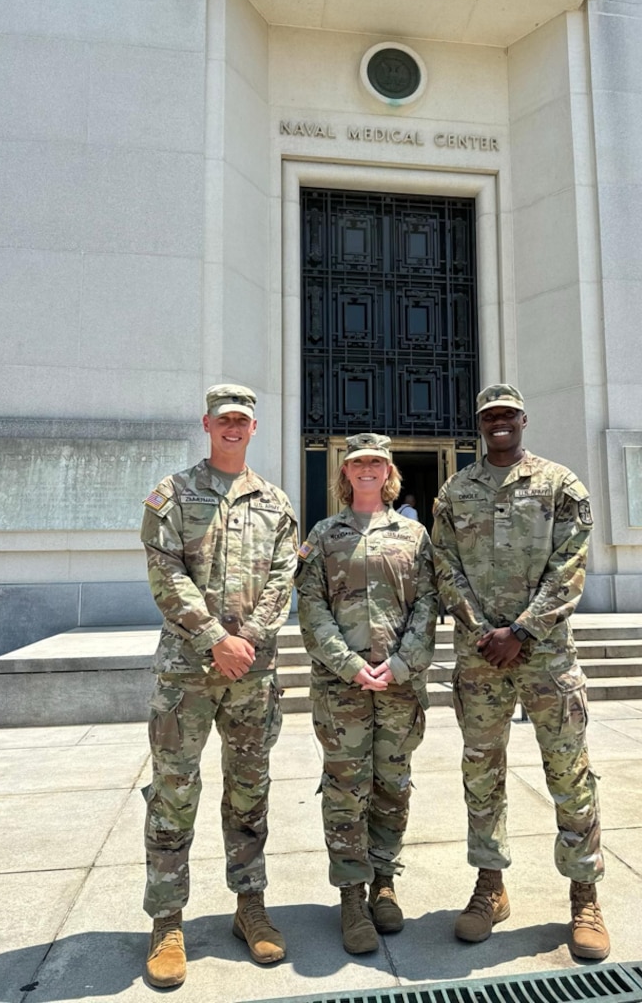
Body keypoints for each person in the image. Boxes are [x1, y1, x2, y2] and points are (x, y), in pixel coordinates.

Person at [431, 384, 609, 960]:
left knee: (570, 772)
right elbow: (443, 566)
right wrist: (483, 629)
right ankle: (490, 886)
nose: (499, 422)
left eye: (508, 414)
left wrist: (523, 631)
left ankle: (584, 893)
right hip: (480, 658)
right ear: (480, 425)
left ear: (524, 420)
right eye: (490, 416)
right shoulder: (456, 490)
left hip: (548, 659)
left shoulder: (560, 485)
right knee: (482, 775)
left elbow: (571, 565)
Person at [140, 384, 298, 988]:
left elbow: (284, 580)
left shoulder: (277, 504)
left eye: (243, 421)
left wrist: (248, 641)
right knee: (174, 794)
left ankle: (249, 906)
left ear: (254, 429)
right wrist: (215, 639)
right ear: (207, 424)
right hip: (187, 674)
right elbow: (165, 571)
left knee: (249, 791)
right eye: (224, 419)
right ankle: (167, 920)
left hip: (252, 676)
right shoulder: (172, 496)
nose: (233, 428)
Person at [296, 433, 437, 955]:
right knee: (345, 790)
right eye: (358, 463)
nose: (368, 470)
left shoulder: (414, 535)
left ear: (389, 470)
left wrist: (401, 664)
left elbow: (428, 604)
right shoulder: (324, 534)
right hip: (342, 689)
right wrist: (351, 665)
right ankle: (351, 896)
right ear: (345, 472)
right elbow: (310, 606)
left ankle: (384, 881)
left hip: (400, 688)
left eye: (376, 462)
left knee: (393, 786)